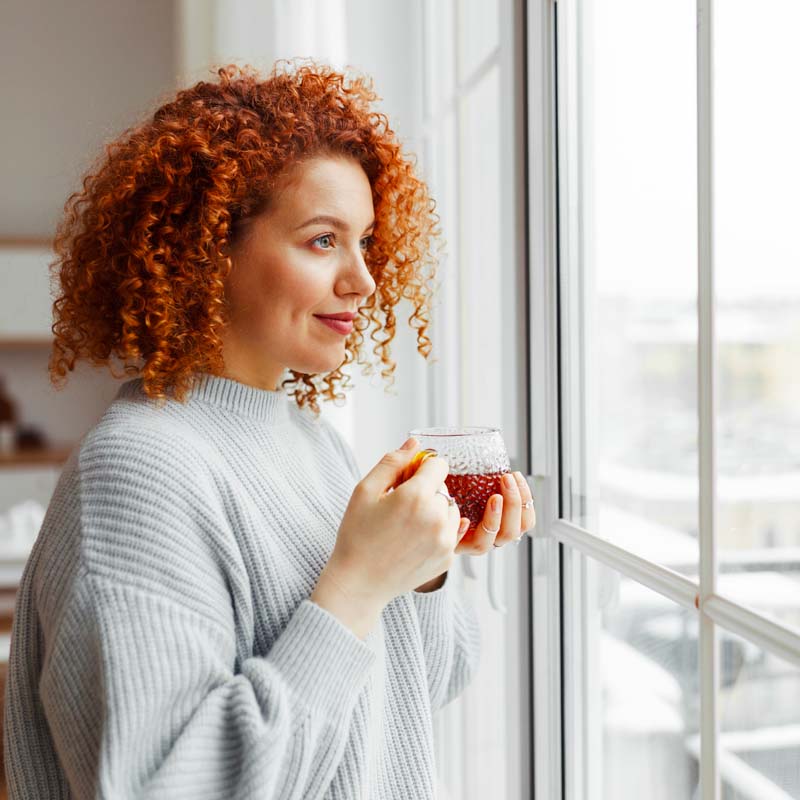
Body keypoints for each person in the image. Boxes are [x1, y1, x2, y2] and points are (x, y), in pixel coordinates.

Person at [3, 61, 536, 799]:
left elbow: (414, 695)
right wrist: (356, 582)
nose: (364, 279)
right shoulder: (135, 473)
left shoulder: (314, 444)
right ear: (207, 250)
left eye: (365, 241)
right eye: (322, 241)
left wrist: (420, 567)